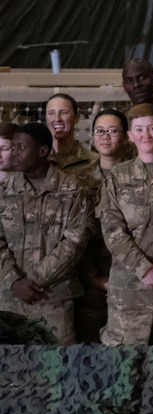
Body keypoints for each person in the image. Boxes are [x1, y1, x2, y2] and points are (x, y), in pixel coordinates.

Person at [97, 104, 153, 345]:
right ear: (130, 136)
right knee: (125, 364)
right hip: (129, 289)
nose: (146, 135)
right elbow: (112, 230)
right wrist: (144, 268)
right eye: (139, 129)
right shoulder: (117, 177)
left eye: (152, 128)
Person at [0, 123, 92, 344]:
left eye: (20, 147)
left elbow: (74, 243)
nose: (13, 153)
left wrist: (34, 282)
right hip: (8, 298)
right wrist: (13, 281)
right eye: (12, 147)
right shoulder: (4, 190)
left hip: (53, 299)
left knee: (57, 368)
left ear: (42, 151)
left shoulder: (72, 189)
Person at [73, 109, 131, 343]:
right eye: (99, 131)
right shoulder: (78, 179)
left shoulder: (138, 175)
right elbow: (72, 232)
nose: (105, 136)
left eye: (112, 130)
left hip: (132, 279)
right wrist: (92, 278)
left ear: (126, 137)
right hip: (90, 280)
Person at [45, 93, 98, 174]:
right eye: (51, 113)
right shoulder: (37, 161)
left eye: (64, 112)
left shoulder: (95, 162)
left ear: (76, 118)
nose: (57, 119)